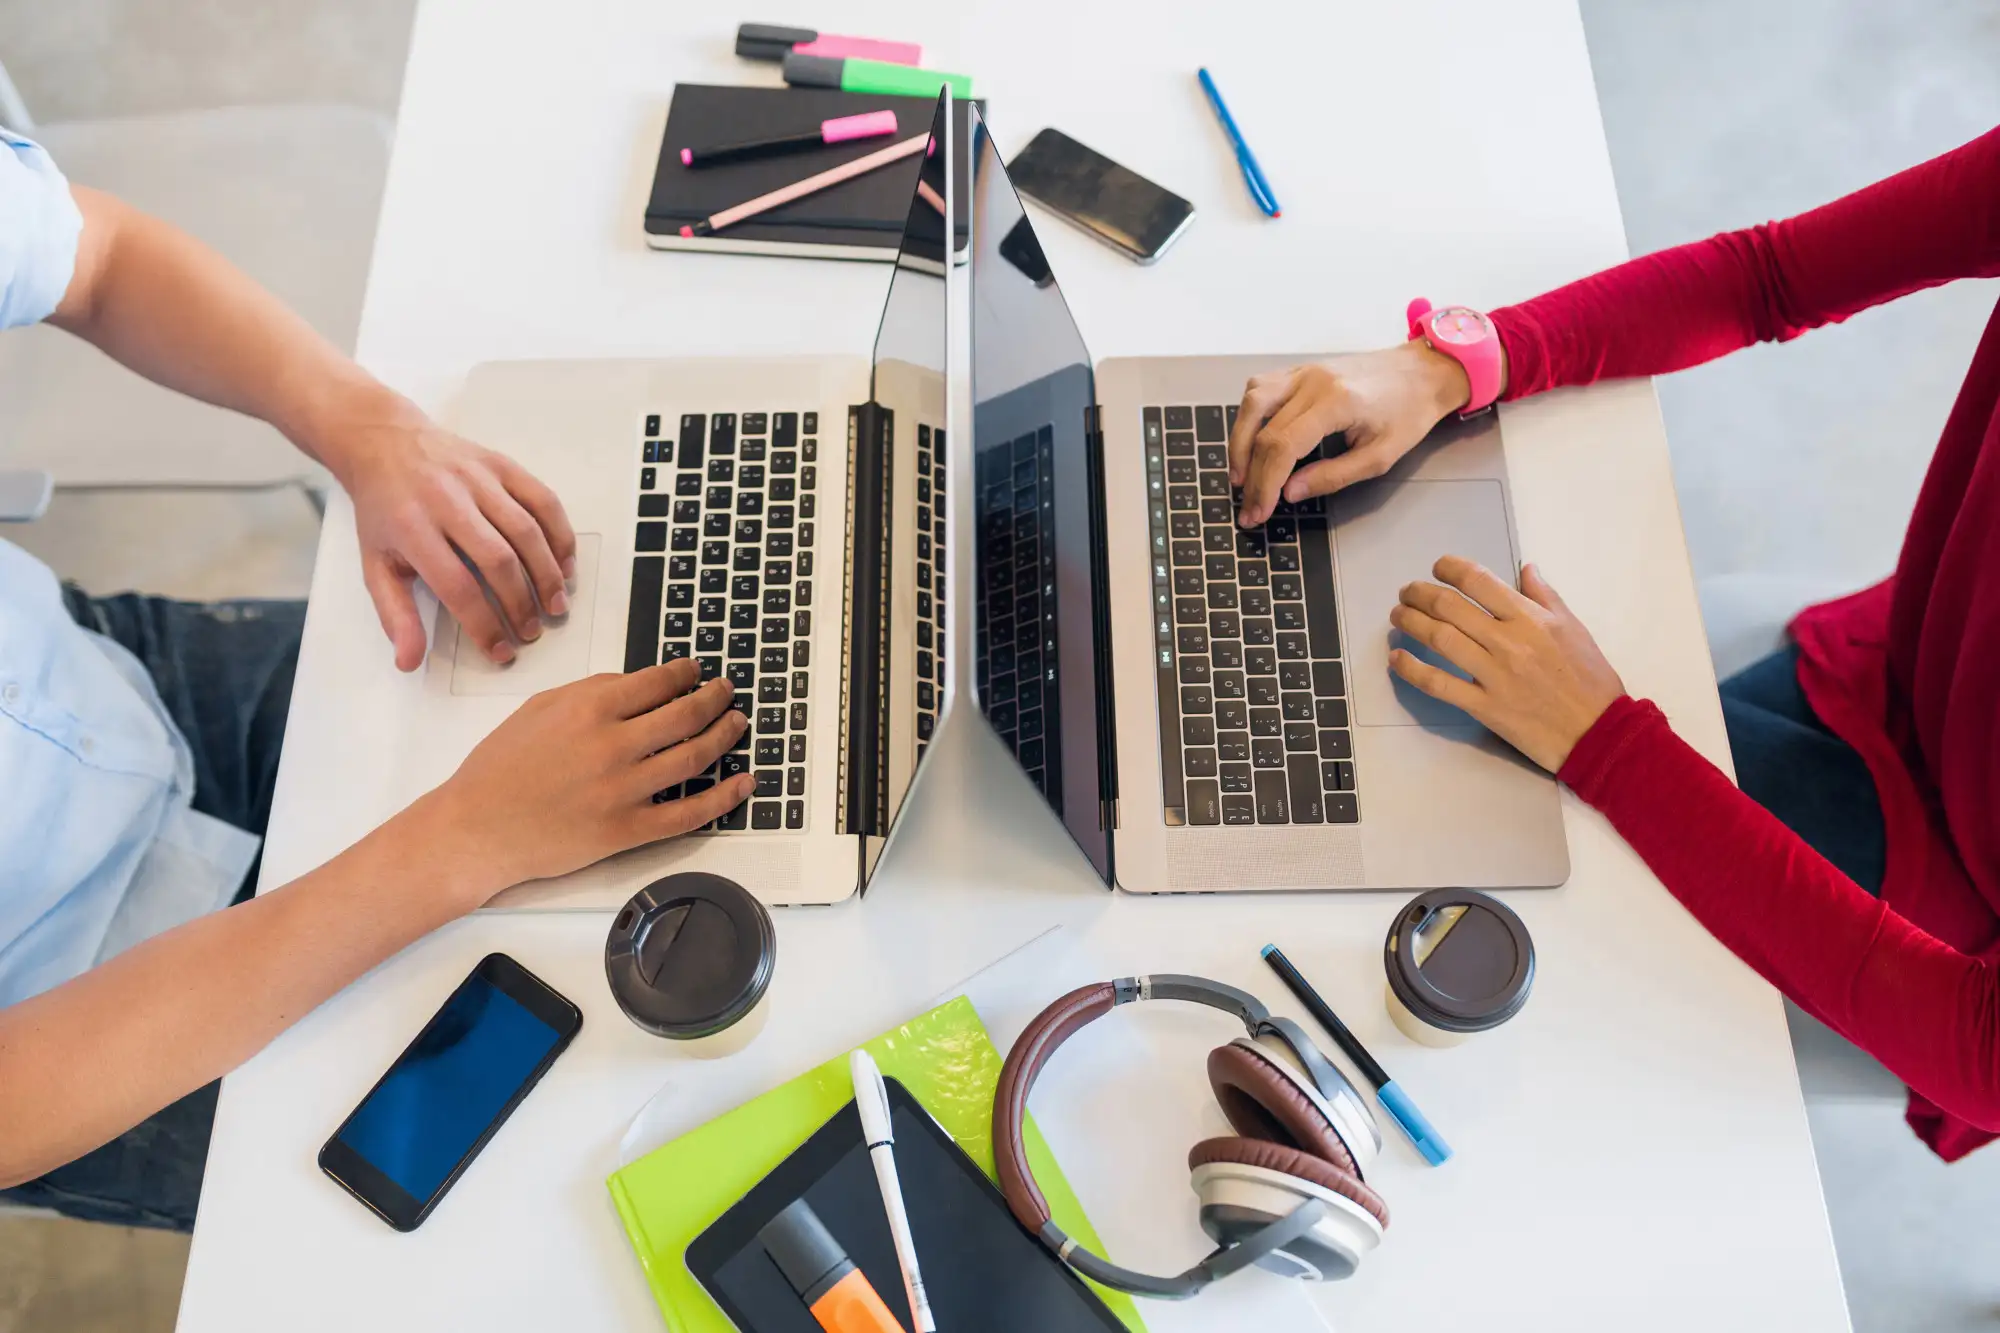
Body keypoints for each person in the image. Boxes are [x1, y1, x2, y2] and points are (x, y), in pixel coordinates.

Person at [0, 131, 754, 1226]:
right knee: (569, 1195)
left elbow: (98, 255)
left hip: (108, 683)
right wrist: (466, 840)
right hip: (84, 1032)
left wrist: (367, 428)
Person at [1230, 125, 2000, 1160]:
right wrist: (1456, 365)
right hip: (1898, 669)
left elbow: (1978, 1049)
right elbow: (1769, 278)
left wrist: (1606, 742)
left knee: (1493, 964)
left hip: (1939, 917)